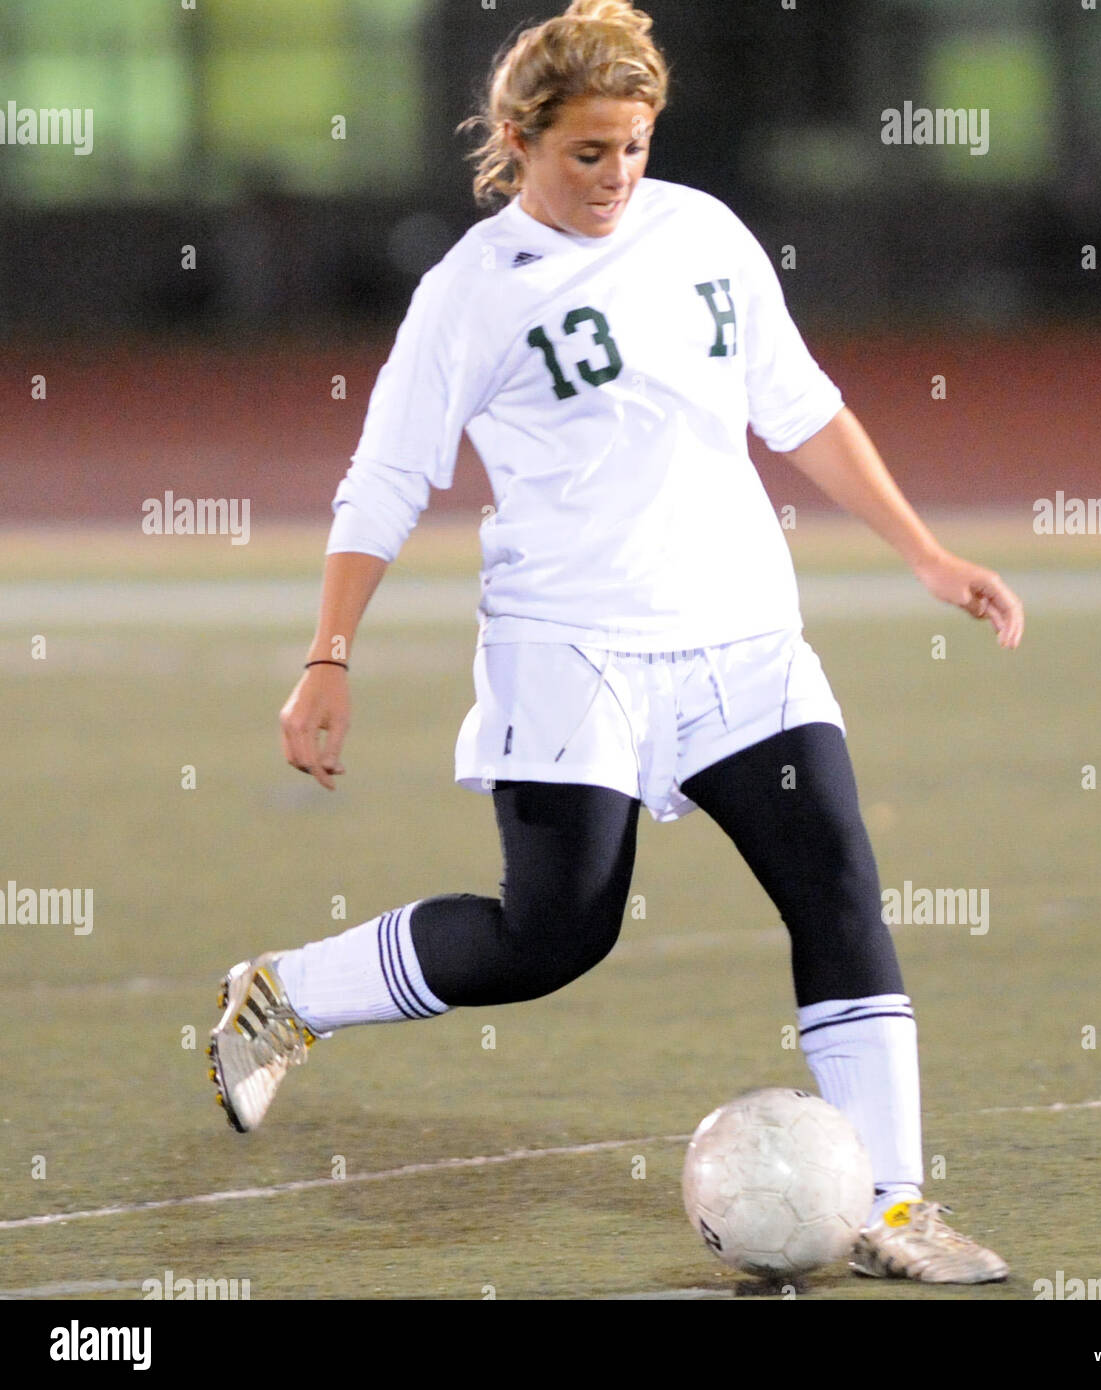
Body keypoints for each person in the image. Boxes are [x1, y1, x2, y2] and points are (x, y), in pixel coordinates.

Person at [208, 0, 1024, 1285]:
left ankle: (895, 1208)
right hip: (570, 653)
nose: (615, 177)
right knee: (552, 935)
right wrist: (327, 657)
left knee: (838, 888)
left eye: (634, 147)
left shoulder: (704, 233)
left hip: (743, 643)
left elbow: (799, 408)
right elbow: (383, 481)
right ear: (519, 137)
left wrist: (926, 552)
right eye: (588, 151)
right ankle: (288, 993)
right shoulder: (471, 289)